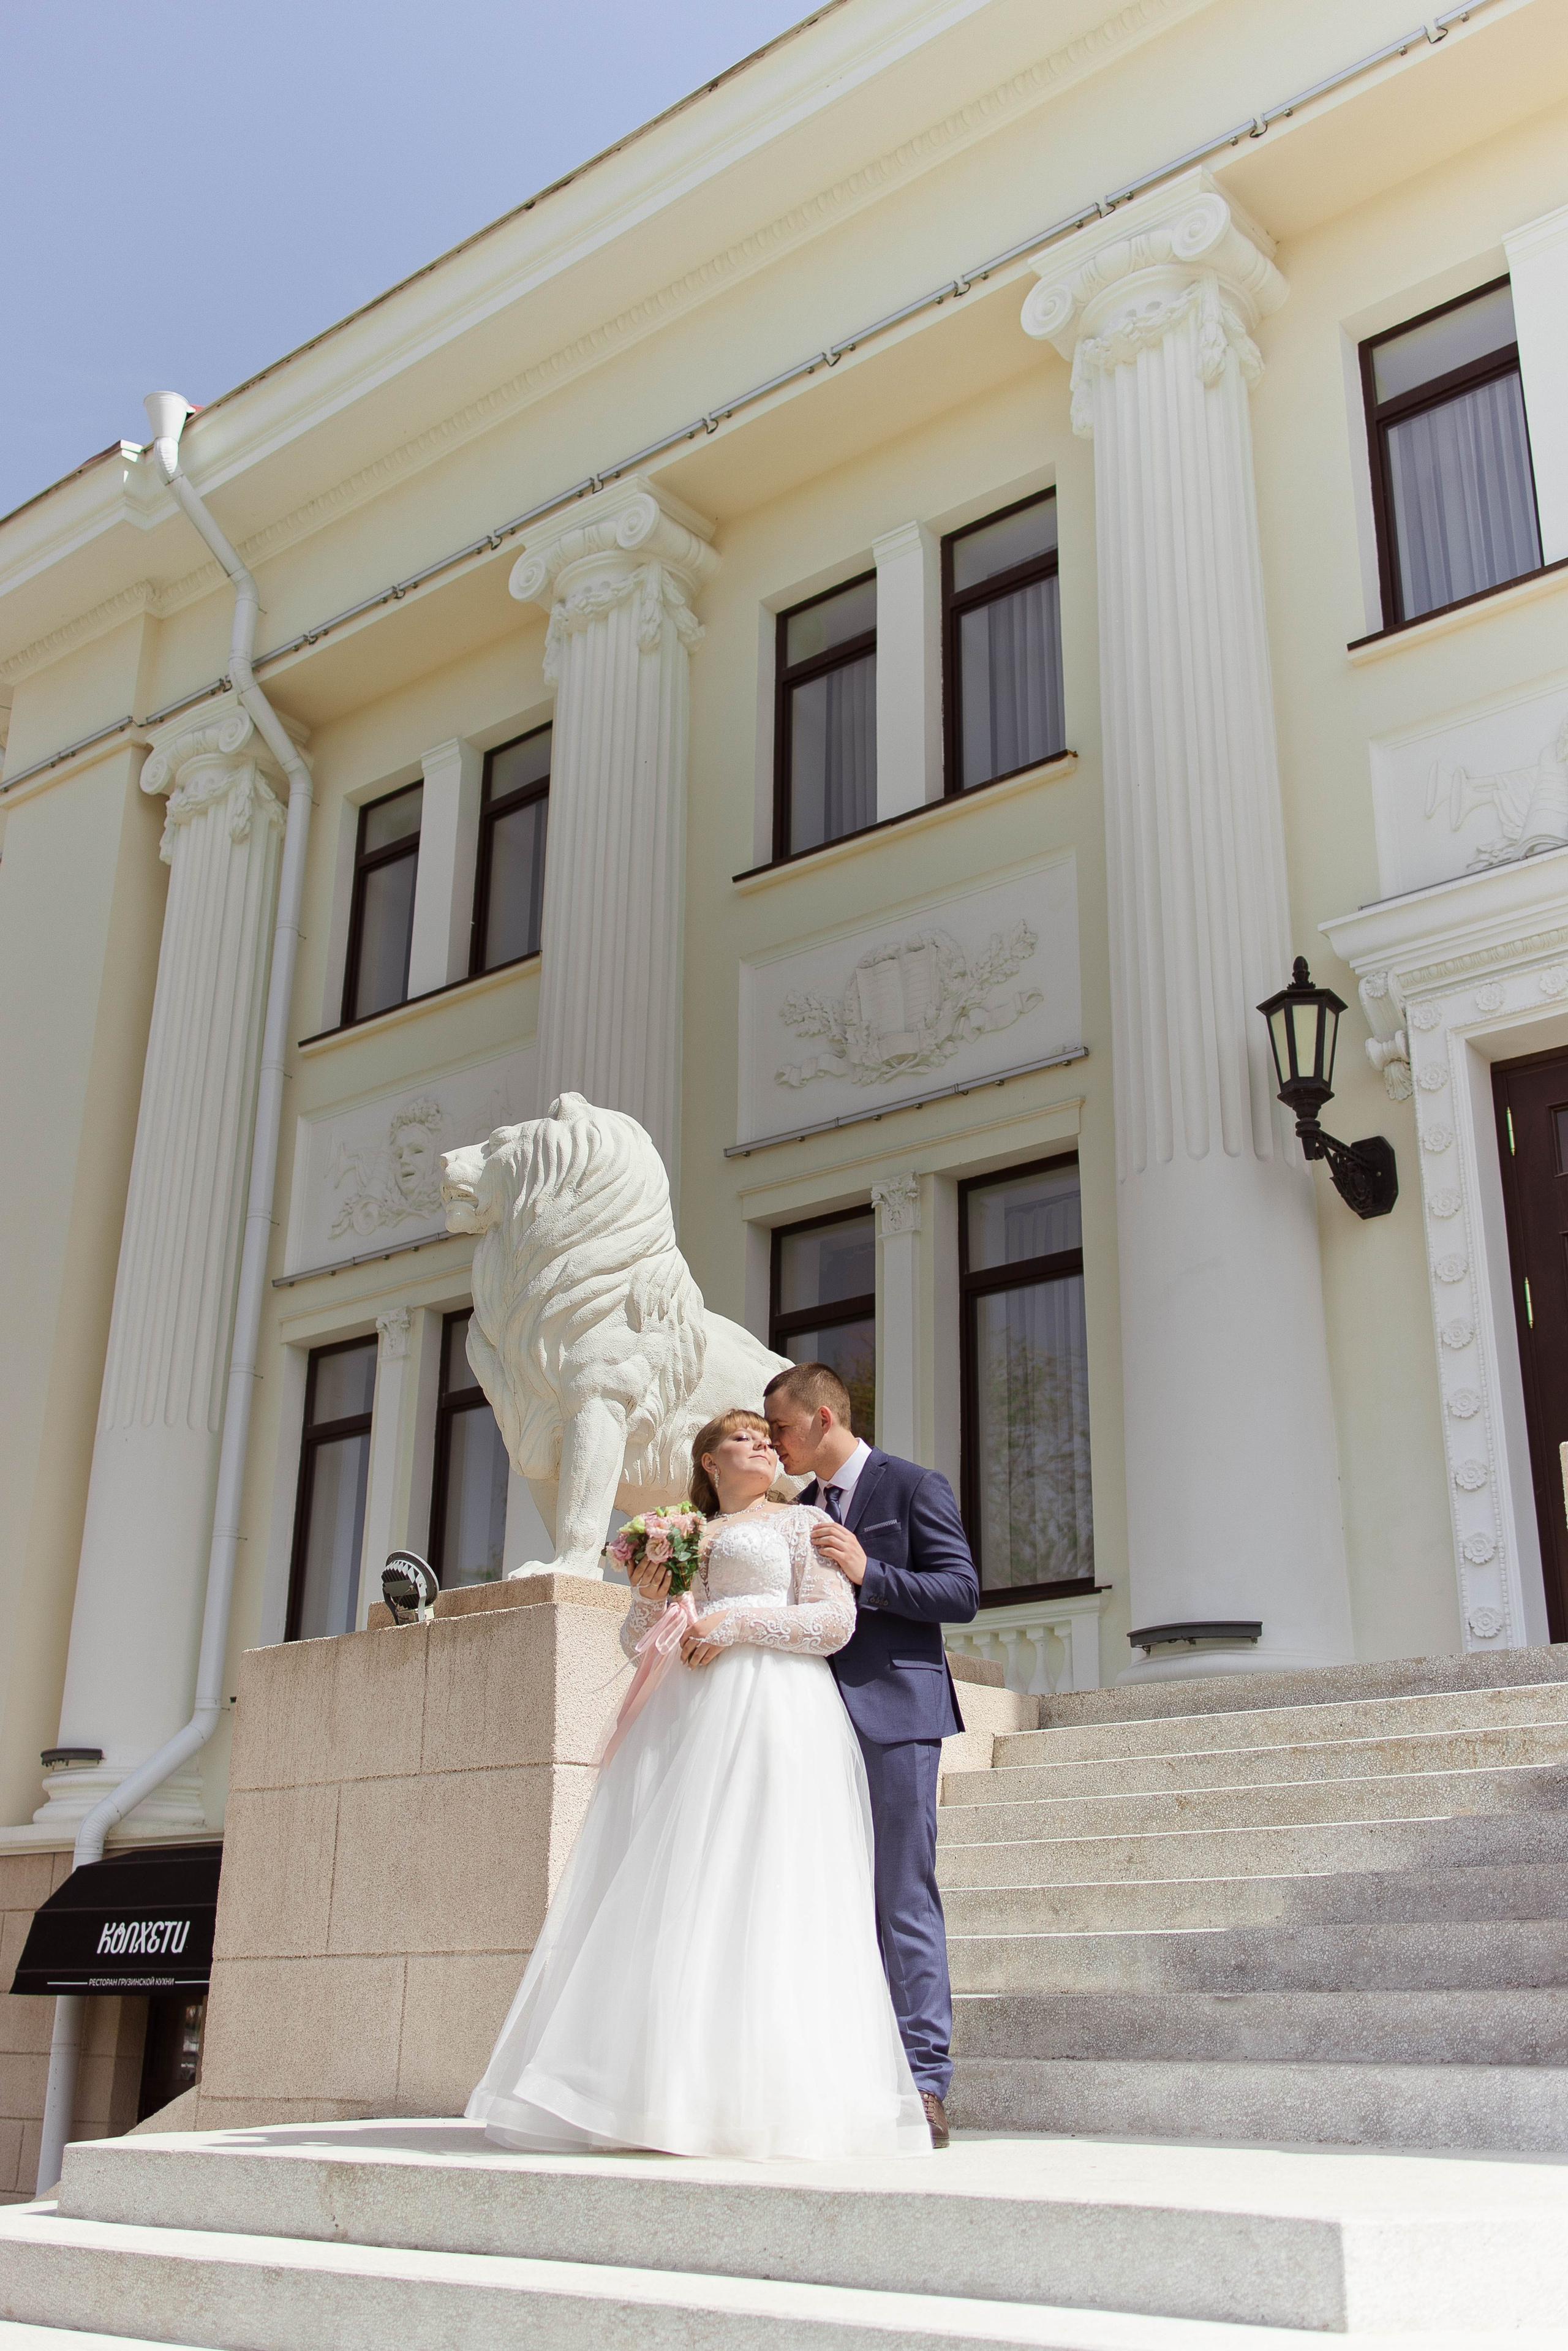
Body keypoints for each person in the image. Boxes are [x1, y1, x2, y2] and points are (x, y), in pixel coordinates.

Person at [467, 1406, 930, 2160]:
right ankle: (660, 2093)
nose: (764, 1445)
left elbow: (833, 1622)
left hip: (774, 1709)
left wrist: (733, 1625)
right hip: (686, 1721)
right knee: (679, 1886)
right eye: (744, 1437)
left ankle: (770, 2097)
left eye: (767, 1437)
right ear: (709, 1461)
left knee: (765, 1881)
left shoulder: (802, 1523)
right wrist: (650, 1596)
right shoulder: (680, 1530)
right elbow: (640, 1642)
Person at [763, 1363, 979, 2151]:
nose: (774, 1443)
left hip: (896, 1718)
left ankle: (924, 2082)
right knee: (822, 1898)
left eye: (781, 1428)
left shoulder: (914, 1485)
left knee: (901, 1896)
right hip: (809, 1721)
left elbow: (959, 1592)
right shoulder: (794, 1511)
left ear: (823, 1418)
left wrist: (869, 1572)